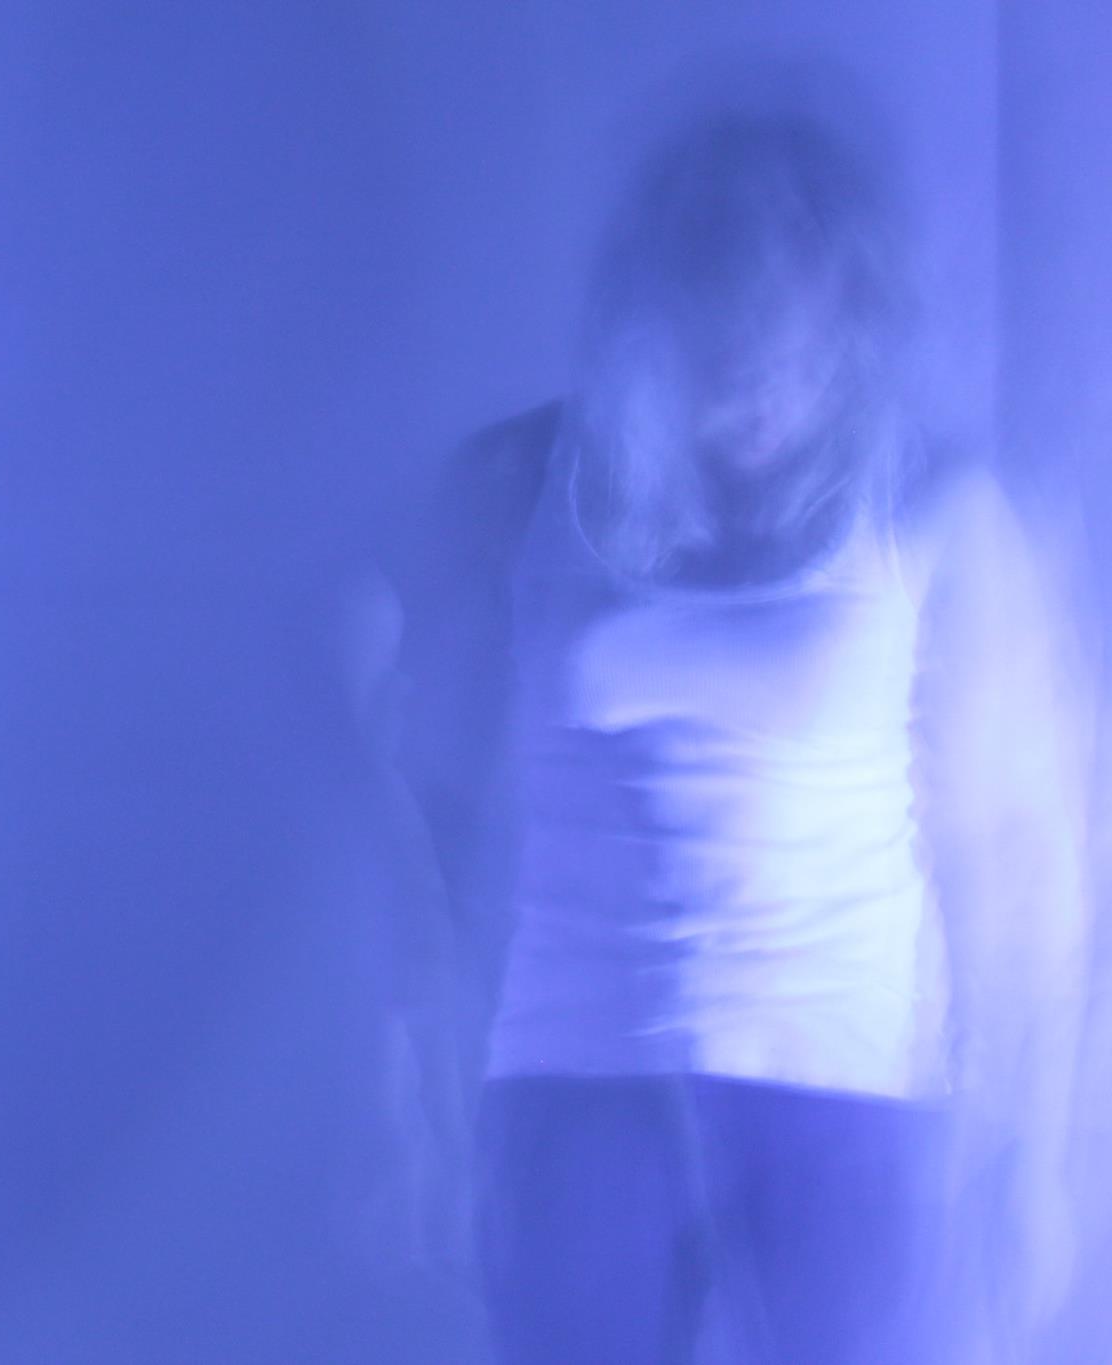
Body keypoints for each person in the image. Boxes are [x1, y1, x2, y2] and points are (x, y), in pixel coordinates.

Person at [370, 88, 1090, 1364]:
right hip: (573, 1081)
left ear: (852, 329)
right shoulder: (521, 484)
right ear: (655, 325)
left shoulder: (930, 505)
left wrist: (1033, 1152)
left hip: (845, 1098)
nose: (759, 392)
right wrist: (420, 1077)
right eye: (722, 353)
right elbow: (419, 788)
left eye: (797, 356)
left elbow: (1018, 852)